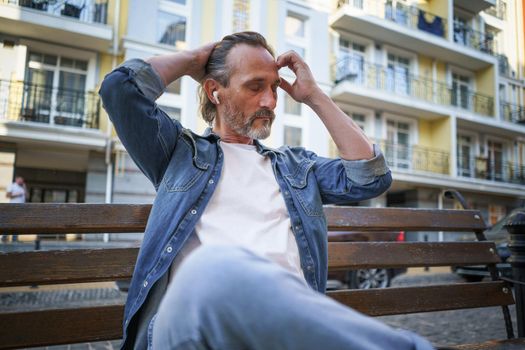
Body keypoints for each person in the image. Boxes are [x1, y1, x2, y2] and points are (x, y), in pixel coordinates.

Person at [99, 32, 433, 350]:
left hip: (284, 330)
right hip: (196, 327)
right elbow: (119, 90)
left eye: (274, 88)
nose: (270, 101)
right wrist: (193, 60)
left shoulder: (296, 166)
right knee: (210, 267)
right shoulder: (179, 153)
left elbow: (371, 177)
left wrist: (314, 95)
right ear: (215, 91)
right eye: (255, 86)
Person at [3, 176, 27, 242]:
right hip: (13, 207)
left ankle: (15, 238)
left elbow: (27, 196)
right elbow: (7, 195)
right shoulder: (12, 186)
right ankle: (4, 237)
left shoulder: (22, 187)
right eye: (20, 180)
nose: (21, 181)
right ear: (16, 179)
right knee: (9, 222)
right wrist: (18, 194)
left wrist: (24, 188)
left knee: (17, 223)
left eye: (22, 180)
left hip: (21, 208)